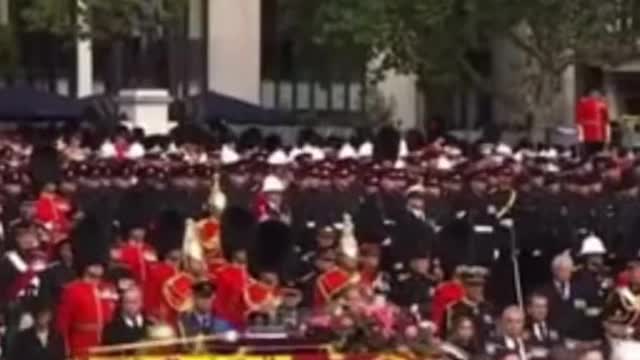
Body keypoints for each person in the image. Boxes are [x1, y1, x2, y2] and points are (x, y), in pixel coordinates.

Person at [56, 215, 117, 357]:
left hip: (107, 349)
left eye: (100, 263)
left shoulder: (108, 287)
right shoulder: (72, 290)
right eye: (94, 263)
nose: (98, 267)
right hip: (81, 349)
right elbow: (63, 326)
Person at [443, 266, 494, 342]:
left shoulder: (487, 307)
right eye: (472, 285)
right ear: (464, 286)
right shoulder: (454, 309)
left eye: (480, 285)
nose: (477, 289)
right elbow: (448, 336)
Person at [525, 293, 562, 359]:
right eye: (537, 307)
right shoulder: (523, 328)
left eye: (544, 306)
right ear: (529, 309)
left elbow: (562, 349)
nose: (541, 310)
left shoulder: (556, 327)